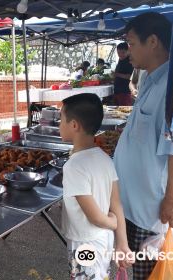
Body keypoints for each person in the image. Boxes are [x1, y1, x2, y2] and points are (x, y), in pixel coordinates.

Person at [114, 12, 173, 279]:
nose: (128, 51)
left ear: (152, 41)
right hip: (131, 205)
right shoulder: (150, 78)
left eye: (131, 43)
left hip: (151, 213)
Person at [59, 93, 133, 279]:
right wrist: (122, 242)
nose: (59, 124)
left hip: (86, 243)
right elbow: (117, 204)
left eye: (61, 119)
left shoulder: (74, 167)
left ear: (74, 125)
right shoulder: (104, 157)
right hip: (104, 239)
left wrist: (112, 222)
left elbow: (95, 217)